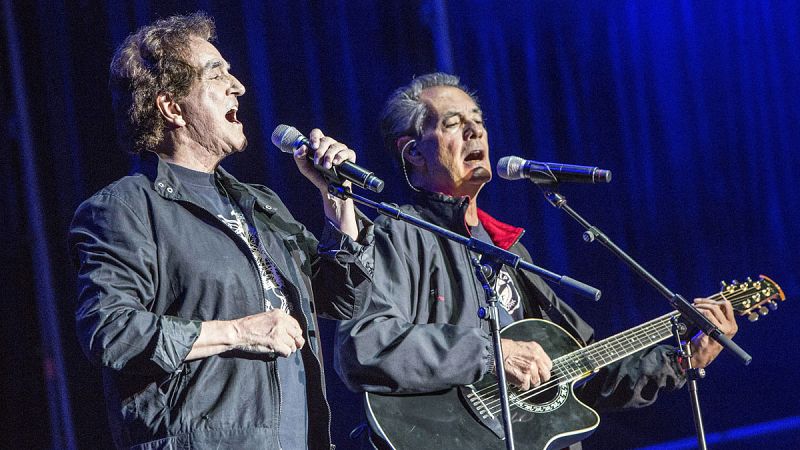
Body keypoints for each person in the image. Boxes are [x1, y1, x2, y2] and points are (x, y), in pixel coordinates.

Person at [334, 73, 738, 448]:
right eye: (454, 124)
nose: (476, 131)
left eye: (479, 121)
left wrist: (682, 360)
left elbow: (588, 369)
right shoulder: (397, 233)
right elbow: (365, 344)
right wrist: (493, 353)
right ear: (414, 152)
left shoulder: (509, 251)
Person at [69, 12, 372, 449]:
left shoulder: (259, 204)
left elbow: (342, 296)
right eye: (216, 74)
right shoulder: (126, 208)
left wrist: (336, 198)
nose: (239, 86)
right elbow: (111, 332)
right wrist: (238, 331)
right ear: (172, 107)